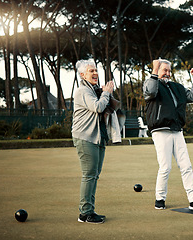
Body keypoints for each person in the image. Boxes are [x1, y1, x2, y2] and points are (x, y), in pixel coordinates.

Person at [143, 59, 193, 212]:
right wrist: (153, 70)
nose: (167, 73)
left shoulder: (176, 87)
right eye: (164, 70)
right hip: (160, 130)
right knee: (165, 167)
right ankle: (160, 198)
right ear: (157, 71)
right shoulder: (151, 83)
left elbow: (192, 96)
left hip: (177, 130)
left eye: (169, 70)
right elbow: (151, 91)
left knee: (186, 166)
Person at [72, 59, 118, 224]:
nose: (95, 73)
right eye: (91, 71)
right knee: (89, 175)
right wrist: (106, 93)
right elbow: (98, 107)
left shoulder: (93, 90)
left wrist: (106, 93)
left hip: (97, 137)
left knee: (94, 175)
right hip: (85, 137)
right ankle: (85, 213)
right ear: (82, 75)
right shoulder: (83, 91)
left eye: (96, 70)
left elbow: (105, 109)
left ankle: (88, 210)